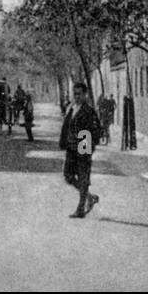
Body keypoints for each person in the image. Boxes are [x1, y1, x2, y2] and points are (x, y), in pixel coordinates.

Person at [59, 82, 103, 218]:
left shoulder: (88, 111)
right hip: (71, 147)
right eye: (75, 94)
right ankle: (90, 197)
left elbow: (96, 131)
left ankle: (80, 209)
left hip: (83, 145)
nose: (77, 97)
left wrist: (88, 147)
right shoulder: (72, 108)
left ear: (85, 95)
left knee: (83, 178)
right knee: (68, 175)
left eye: (79, 94)